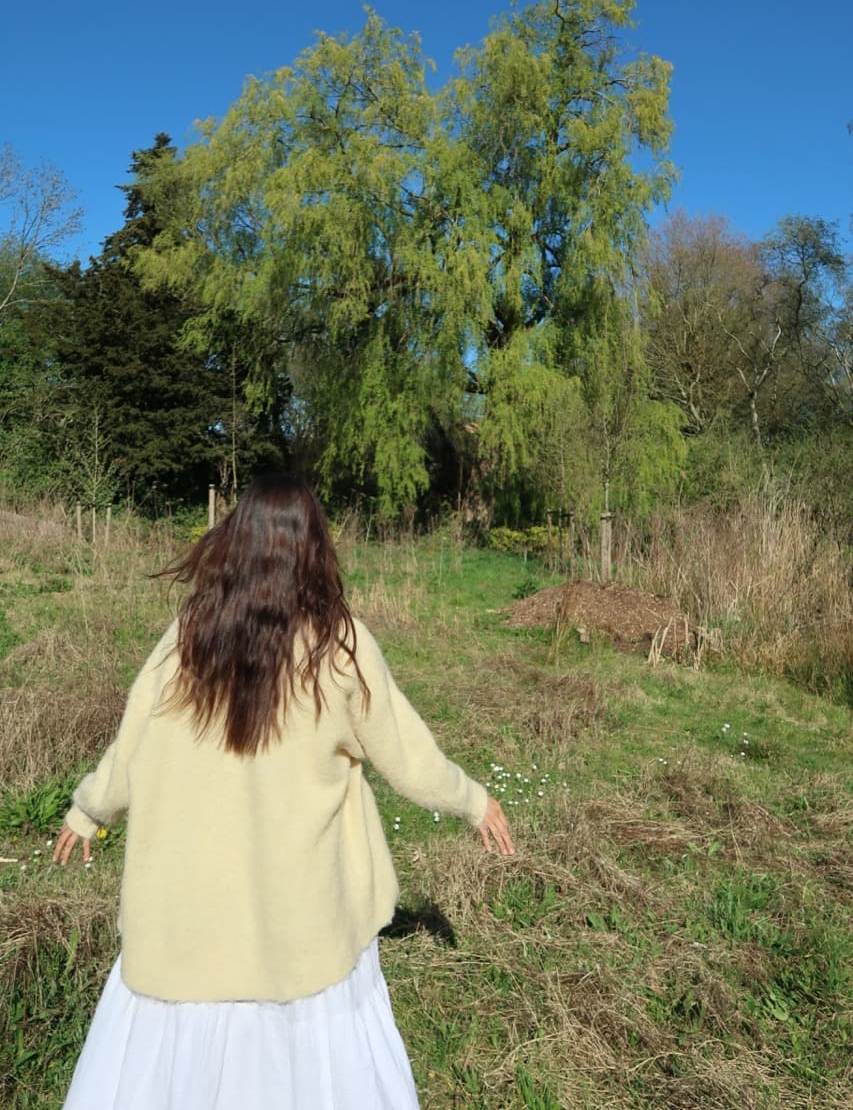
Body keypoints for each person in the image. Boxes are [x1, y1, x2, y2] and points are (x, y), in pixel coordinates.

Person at [53, 474, 514, 1109]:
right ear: (313, 548)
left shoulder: (190, 635)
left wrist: (88, 811)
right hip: (301, 928)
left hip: (188, 918)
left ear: (234, 542)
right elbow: (405, 752)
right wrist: (473, 800)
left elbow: (132, 742)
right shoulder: (337, 647)